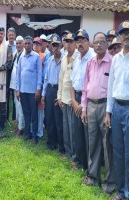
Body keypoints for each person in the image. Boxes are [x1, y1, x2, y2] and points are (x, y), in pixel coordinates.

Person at [80, 32, 115, 194]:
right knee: (92, 143)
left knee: (107, 145)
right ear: (93, 45)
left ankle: (109, 183)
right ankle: (93, 178)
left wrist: (109, 111)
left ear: (107, 44)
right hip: (92, 106)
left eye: (102, 42)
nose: (99, 44)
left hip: (105, 107)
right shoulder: (91, 62)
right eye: (97, 42)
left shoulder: (112, 62)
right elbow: (85, 86)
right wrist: (84, 108)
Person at [105, 20, 129, 200]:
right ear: (119, 36)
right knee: (119, 152)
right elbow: (111, 86)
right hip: (117, 109)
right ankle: (121, 191)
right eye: (123, 33)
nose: (126, 36)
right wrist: (108, 112)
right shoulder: (116, 59)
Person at [70, 29, 95, 170]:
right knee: (77, 132)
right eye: (78, 41)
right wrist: (73, 100)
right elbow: (73, 82)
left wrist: (82, 105)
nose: (79, 43)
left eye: (82, 40)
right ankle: (79, 161)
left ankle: (88, 166)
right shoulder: (77, 57)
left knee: (88, 134)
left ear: (88, 42)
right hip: (77, 98)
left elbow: (91, 84)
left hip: (88, 100)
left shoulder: (92, 58)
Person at [57, 33, 80, 161]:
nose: (68, 44)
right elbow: (61, 78)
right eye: (66, 41)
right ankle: (67, 152)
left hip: (73, 99)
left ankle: (75, 156)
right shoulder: (64, 57)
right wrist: (59, 96)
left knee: (73, 129)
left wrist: (74, 99)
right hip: (64, 98)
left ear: (75, 43)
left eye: (71, 41)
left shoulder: (78, 57)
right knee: (66, 127)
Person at [16, 36, 42, 144]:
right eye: (25, 43)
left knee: (34, 114)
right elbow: (18, 75)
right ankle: (27, 134)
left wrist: (38, 89)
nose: (26, 45)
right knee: (26, 113)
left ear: (32, 45)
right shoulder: (21, 58)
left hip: (33, 92)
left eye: (28, 44)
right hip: (23, 91)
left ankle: (35, 135)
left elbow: (40, 74)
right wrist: (18, 89)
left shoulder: (36, 57)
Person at [41, 34, 64, 151]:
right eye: (53, 45)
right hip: (50, 90)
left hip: (59, 91)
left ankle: (61, 144)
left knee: (59, 119)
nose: (55, 48)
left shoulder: (64, 59)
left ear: (61, 45)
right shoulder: (49, 60)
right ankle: (51, 142)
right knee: (49, 117)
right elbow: (46, 78)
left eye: (57, 45)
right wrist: (43, 95)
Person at [10, 35, 25, 136]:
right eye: (17, 43)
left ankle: (21, 128)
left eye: (20, 43)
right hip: (14, 85)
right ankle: (18, 125)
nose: (18, 45)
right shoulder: (16, 53)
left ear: (23, 44)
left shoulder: (24, 55)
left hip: (20, 86)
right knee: (16, 106)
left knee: (20, 107)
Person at [6, 27, 16, 121]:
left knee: (14, 94)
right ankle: (6, 116)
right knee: (7, 92)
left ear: (15, 35)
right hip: (7, 71)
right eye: (9, 35)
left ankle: (14, 116)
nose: (11, 37)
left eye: (12, 35)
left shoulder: (17, 46)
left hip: (15, 71)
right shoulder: (5, 45)